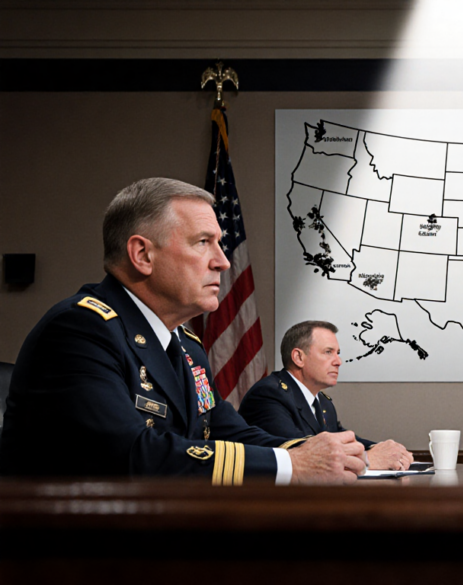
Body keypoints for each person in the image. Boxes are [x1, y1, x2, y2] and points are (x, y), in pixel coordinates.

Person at [0, 178, 365, 484]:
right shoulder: (80, 330)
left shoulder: (185, 344)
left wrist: (335, 455)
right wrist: (291, 466)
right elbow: (130, 454)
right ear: (143, 255)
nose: (222, 261)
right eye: (203, 242)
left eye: (219, 243)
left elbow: (228, 431)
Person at [239, 321, 414, 470]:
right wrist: (368, 459)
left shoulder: (323, 402)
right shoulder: (269, 395)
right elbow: (302, 453)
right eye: (328, 352)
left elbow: (344, 438)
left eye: (338, 353)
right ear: (298, 357)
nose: (338, 361)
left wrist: (385, 449)